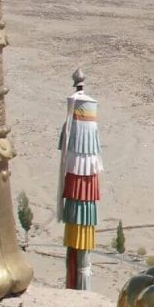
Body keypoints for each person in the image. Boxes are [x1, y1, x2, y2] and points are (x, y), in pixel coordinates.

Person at [57, 69, 102, 290]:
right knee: (78, 229)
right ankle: (78, 284)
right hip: (78, 179)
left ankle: (79, 285)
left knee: (80, 228)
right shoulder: (79, 111)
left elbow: (63, 145)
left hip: (81, 179)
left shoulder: (77, 113)